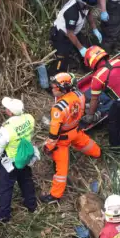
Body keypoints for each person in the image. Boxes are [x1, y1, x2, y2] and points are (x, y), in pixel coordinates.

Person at [41, 73, 101, 203]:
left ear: (63, 88)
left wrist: (48, 147)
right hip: (76, 131)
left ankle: (55, 196)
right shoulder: (79, 95)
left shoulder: (58, 108)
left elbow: (53, 134)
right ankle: (98, 153)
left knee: (61, 170)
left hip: (62, 139)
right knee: (90, 146)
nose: (52, 89)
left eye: (55, 87)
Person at [0, 97, 38, 222]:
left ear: (10, 112)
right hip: (25, 157)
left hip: (10, 162)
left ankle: (4, 216)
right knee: (26, 181)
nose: (5, 110)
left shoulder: (6, 128)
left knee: (5, 188)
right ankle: (32, 206)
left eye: (7, 108)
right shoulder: (29, 118)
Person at [84, 46, 120, 147]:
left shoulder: (97, 77)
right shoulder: (118, 61)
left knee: (112, 123)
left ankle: (116, 147)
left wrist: (91, 115)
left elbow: (94, 100)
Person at [48, 0, 103, 76]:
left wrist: (95, 29)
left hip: (74, 31)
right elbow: (70, 33)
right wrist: (80, 48)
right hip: (62, 35)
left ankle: (88, 70)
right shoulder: (72, 12)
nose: (90, 8)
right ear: (84, 3)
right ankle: (55, 78)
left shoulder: (84, 4)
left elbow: (88, 13)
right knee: (62, 60)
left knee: (88, 51)